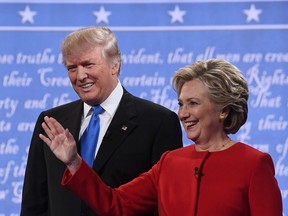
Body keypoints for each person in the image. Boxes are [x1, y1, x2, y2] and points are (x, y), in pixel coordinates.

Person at [39, 59, 283, 216]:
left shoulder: (254, 164)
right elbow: (115, 204)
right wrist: (74, 162)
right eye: (181, 104)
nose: (182, 113)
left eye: (193, 103)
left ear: (223, 110)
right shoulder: (170, 163)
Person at [20, 26, 183, 216]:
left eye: (88, 65)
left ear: (115, 65)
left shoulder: (158, 122)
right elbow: (35, 203)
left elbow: (165, 204)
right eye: (72, 68)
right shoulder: (52, 121)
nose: (80, 76)